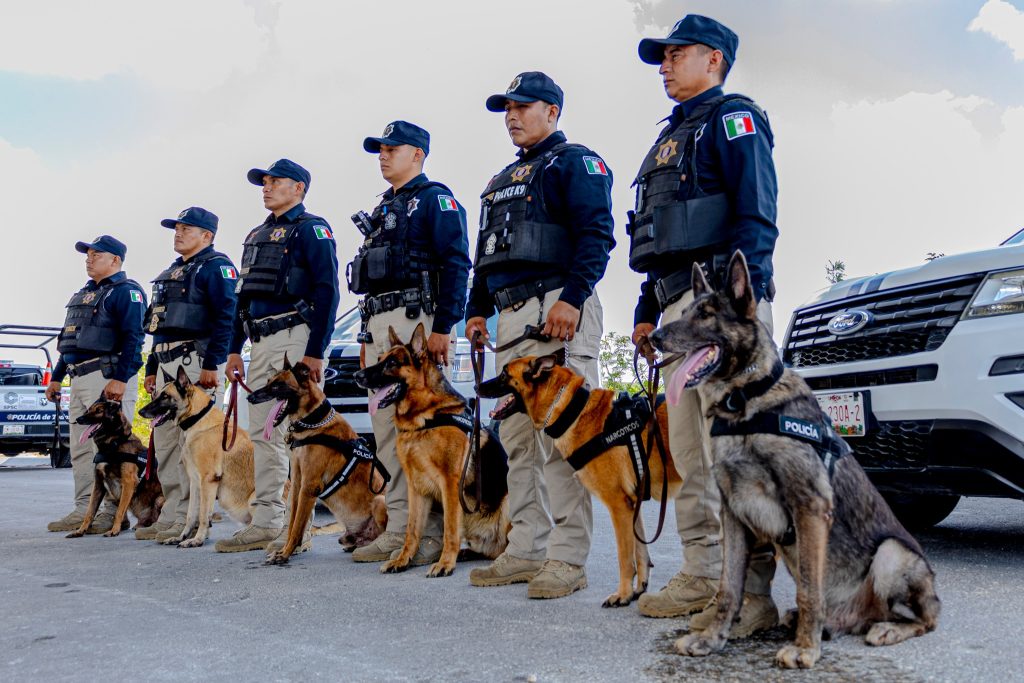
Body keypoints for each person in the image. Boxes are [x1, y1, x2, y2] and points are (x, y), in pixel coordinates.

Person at [629, 15, 781, 635]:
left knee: (740, 456)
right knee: (692, 454)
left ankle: (753, 598)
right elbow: (662, 239)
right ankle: (702, 572)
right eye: (662, 57)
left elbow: (756, 212)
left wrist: (746, 308)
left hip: (722, 314)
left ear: (713, 59)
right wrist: (646, 312)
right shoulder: (672, 137)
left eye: (676, 53)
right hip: (677, 311)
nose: (665, 65)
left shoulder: (733, 118)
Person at [465, 72, 615, 599]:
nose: (511, 116)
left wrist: (572, 298)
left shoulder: (574, 162)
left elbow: (597, 235)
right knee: (517, 441)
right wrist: (476, 311)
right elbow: (485, 256)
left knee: (562, 441)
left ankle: (568, 559)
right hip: (509, 317)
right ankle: (527, 548)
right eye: (506, 108)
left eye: (522, 106)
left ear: (552, 111)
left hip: (557, 307)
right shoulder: (500, 180)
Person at [348, 121, 472, 565]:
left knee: (431, 438)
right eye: (380, 150)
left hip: (416, 320)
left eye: (391, 148)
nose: (383, 156)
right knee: (389, 434)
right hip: (380, 324)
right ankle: (402, 529)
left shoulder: (435, 199)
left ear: (417, 154)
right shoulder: (384, 207)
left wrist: (444, 326)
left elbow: (457, 263)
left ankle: (434, 537)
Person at [217, 159, 340, 553]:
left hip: (295, 338)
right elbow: (243, 298)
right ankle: (267, 521)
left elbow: (327, 292)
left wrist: (315, 351)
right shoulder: (256, 235)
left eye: (275, 181)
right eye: (264, 183)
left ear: (299, 188)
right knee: (263, 433)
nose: (266, 188)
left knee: (299, 436)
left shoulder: (312, 229)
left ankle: (297, 528)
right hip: (261, 342)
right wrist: (234, 349)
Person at [136, 207, 239, 543]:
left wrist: (213, 363)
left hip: (195, 362)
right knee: (166, 444)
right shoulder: (172, 272)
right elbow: (159, 326)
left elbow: (227, 318)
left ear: (207, 235)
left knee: (194, 446)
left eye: (186, 229)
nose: (178, 234)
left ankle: (191, 518)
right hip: (167, 363)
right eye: (176, 229)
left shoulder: (216, 267)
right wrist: (152, 368)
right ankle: (174, 513)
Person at [45, 235, 146, 534]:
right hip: (78, 376)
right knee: (81, 449)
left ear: (115, 260)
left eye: (96, 255)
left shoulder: (126, 292)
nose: (89, 260)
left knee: (113, 451)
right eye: (87, 255)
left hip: (106, 377)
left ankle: (112, 514)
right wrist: (57, 377)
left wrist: (121, 378)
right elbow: (69, 341)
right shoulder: (85, 294)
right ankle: (82, 509)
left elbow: (133, 339)